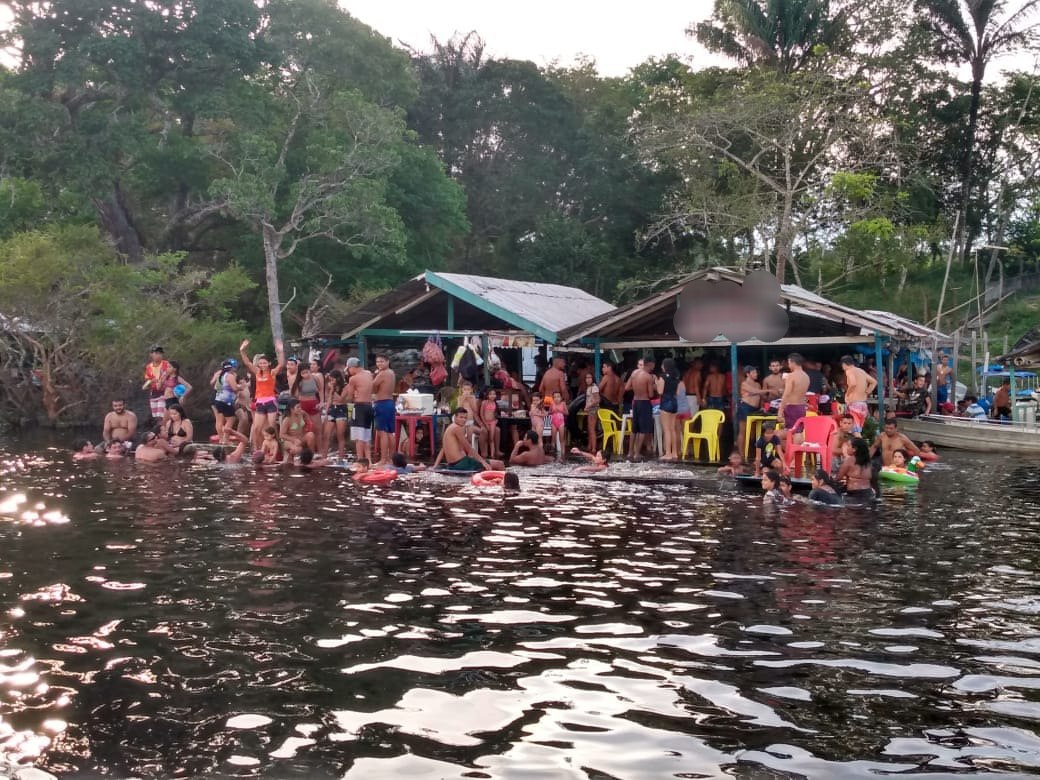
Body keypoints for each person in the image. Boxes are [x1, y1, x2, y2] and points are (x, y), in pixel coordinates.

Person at [239, 338, 285, 449]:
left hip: (270, 401)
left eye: (264, 362)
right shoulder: (257, 372)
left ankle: (278, 448)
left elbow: (281, 364)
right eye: (260, 363)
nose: (262, 364)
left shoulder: (272, 373)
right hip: (260, 402)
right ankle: (258, 449)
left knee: (272, 427)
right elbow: (247, 362)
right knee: (257, 428)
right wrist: (242, 350)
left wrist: (280, 351)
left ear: (268, 363)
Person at [432, 408, 503, 471]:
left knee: (489, 464)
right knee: (499, 464)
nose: (463, 420)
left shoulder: (450, 427)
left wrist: (435, 466)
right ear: (455, 417)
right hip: (461, 463)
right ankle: (505, 483)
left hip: (454, 464)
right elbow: (468, 447)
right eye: (461, 417)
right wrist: (483, 462)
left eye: (465, 418)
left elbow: (443, 449)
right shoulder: (456, 428)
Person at [627, 355, 657, 459]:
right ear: (651, 364)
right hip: (644, 402)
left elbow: (626, 387)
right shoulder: (648, 377)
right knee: (643, 430)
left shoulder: (634, 373)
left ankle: (630, 452)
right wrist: (654, 386)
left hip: (635, 402)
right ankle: (637, 453)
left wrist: (637, 388)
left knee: (634, 429)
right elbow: (651, 394)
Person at [346, 356, 375, 461]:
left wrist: (353, 395)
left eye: (349, 369)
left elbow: (349, 397)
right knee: (367, 437)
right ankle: (369, 461)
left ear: (353, 367)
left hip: (359, 407)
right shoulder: (369, 374)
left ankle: (360, 461)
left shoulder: (353, 379)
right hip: (369, 406)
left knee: (359, 438)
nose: (348, 371)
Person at [841, 355, 877, 433]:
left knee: (854, 431)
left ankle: (858, 444)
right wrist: (867, 391)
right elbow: (874, 382)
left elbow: (853, 383)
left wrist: (847, 394)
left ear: (844, 364)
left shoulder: (849, 371)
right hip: (863, 404)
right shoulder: (861, 371)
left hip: (854, 404)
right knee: (858, 430)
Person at [372, 354, 396, 467]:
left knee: (382, 432)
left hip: (382, 403)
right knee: (390, 432)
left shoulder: (382, 373)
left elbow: (373, 387)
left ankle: (383, 459)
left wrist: (375, 375)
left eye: (382, 361)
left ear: (387, 361)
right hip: (390, 403)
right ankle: (391, 459)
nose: (379, 364)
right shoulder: (391, 372)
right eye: (377, 362)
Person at [736, 366, 765, 459]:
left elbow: (761, 396)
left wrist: (762, 406)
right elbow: (756, 392)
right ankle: (741, 454)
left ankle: (750, 452)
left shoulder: (758, 384)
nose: (756, 374)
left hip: (755, 409)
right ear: (747, 374)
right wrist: (770, 390)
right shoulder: (744, 384)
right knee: (743, 431)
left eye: (756, 373)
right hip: (745, 407)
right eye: (753, 373)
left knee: (752, 433)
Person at [657, 358, 683, 461]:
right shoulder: (676, 378)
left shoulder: (662, 377)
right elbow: (677, 393)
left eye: (662, 365)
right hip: (674, 402)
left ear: (665, 366)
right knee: (673, 429)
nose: (661, 367)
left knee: (666, 429)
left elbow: (660, 391)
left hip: (665, 402)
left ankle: (668, 453)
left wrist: (657, 382)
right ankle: (674, 453)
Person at [778, 353, 810, 434]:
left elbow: (786, 394)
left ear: (792, 362)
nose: (789, 365)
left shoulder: (791, 376)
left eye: (789, 363)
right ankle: (796, 447)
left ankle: (793, 447)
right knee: (798, 431)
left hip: (792, 407)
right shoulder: (806, 376)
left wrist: (780, 410)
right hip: (801, 407)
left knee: (791, 432)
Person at [837, 437, 875, 503]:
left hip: (855, 495)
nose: (847, 448)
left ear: (854, 449)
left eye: (848, 446)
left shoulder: (849, 460)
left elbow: (838, 478)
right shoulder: (868, 461)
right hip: (869, 493)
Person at [210, 359, 239, 443]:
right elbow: (234, 388)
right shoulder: (230, 375)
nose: (235, 369)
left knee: (219, 419)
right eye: (234, 367)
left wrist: (219, 384)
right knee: (225, 419)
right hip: (223, 398)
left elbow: (212, 383)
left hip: (217, 397)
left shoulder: (219, 373)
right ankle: (224, 439)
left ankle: (221, 438)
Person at [142, 345, 171, 426]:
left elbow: (170, 376)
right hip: (154, 392)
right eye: (156, 353)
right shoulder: (149, 367)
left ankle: (164, 430)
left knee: (162, 415)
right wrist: (150, 383)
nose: (159, 355)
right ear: (151, 354)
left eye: (160, 353)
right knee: (156, 416)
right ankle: (160, 431)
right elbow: (148, 379)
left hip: (164, 391)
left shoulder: (166, 364)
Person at [323, 369, 349, 460]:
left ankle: (341, 457)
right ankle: (324, 456)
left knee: (340, 435)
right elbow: (330, 399)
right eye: (330, 380)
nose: (331, 381)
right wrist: (326, 411)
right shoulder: (331, 387)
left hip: (341, 410)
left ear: (338, 379)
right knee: (326, 434)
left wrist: (333, 389)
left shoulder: (345, 386)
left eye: (333, 379)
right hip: (332, 409)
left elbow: (341, 399)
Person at [481, 388, 502, 459]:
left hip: (492, 422)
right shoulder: (484, 402)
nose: (492, 396)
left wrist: (496, 420)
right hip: (486, 421)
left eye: (494, 394)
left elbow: (495, 414)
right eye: (490, 394)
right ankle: (486, 453)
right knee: (487, 436)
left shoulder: (495, 403)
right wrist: (485, 423)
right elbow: (481, 414)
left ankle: (492, 455)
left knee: (491, 438)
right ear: (487, 395)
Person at [549, 391, 567, 460]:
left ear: (561, 398)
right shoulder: (552, 404)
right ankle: (553, 454)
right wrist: (552, 412)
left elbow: (567, 413)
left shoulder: (563, 404)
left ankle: (563, 453)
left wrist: (561, 411)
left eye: (558, 397)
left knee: (561, 439)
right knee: (553, 439)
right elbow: (549, 412)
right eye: (555, 397)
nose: (556, 398)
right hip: (554, 423)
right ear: (553, 398)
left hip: (561, 423)